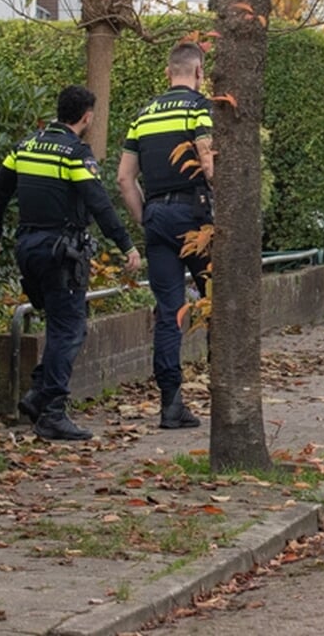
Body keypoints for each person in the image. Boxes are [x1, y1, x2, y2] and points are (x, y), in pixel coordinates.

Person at [0, 85, 142, 441]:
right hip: (60, 252)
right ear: (87, 116)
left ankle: (39, 395)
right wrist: (127, 244)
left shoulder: (25, 146)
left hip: (27, 249)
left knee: (60, 325)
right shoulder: (74, 154)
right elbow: (99, 203)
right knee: (69, 329)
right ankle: (50, 408)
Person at [117, 41, 216, 431]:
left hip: (157, 215)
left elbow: (125, 179)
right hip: (196, 216)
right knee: (217, 302)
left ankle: (171, 405)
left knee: (169, 313)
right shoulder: (199, 107)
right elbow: (207, 161)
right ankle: (224, 392)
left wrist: (147, 219)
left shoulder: (143, 116)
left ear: (167, 72)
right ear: (198, 73)